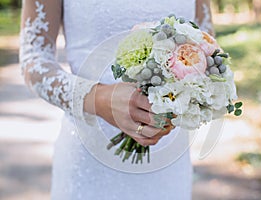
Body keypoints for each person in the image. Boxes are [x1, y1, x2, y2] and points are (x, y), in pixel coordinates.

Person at [19, 0, 214, 199]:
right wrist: (100, 98)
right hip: (90, 162)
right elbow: (34, 58)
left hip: (168, 164)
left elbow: (206, 46)